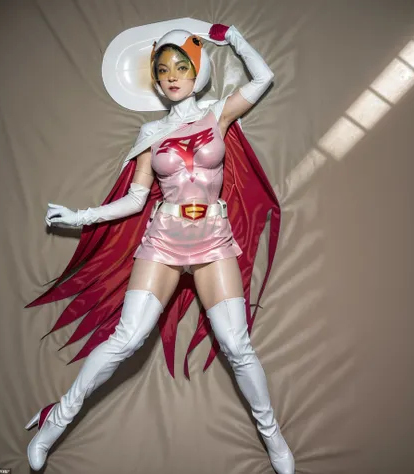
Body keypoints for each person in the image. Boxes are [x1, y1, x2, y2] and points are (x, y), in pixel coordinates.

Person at [24, 23, 294, 474]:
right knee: (127, 339)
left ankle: (272, 436)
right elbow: (135, 199)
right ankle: (55, 422)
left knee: (236, 344)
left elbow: (263, 78)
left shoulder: (217, 114)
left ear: (197, 71)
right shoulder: (151, 132)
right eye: (163, 69)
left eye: (181, 67)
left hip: (212, 236)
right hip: (165, 238)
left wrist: (234, 37)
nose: (171, 77)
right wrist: (80, 216)